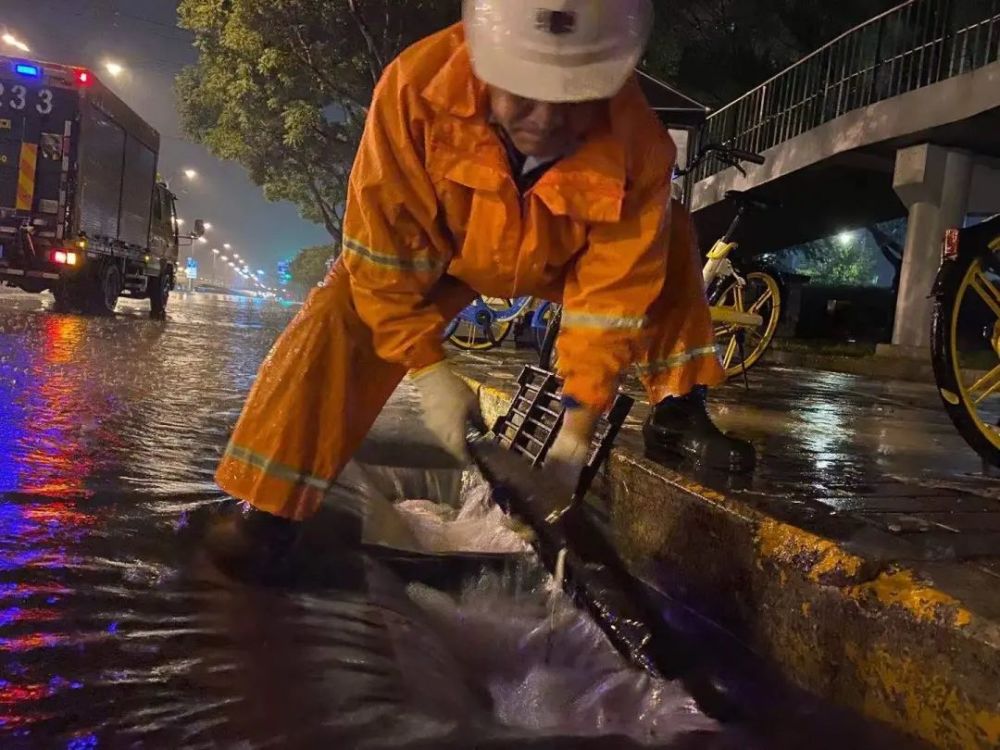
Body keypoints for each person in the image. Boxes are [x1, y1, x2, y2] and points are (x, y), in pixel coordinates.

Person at [210, 0, 755, 568]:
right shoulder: (414, 87)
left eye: (571, 103)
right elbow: (381, 254)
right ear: (485, 63)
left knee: (669, 239)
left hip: (553, 261)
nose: (544, 121)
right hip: (442, 258)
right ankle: (268, 507)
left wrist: (575, 433)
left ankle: (679, 406)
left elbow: (610, 302)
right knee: (339, 312)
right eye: (522, 93)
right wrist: (427, 371)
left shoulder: (639, 144)